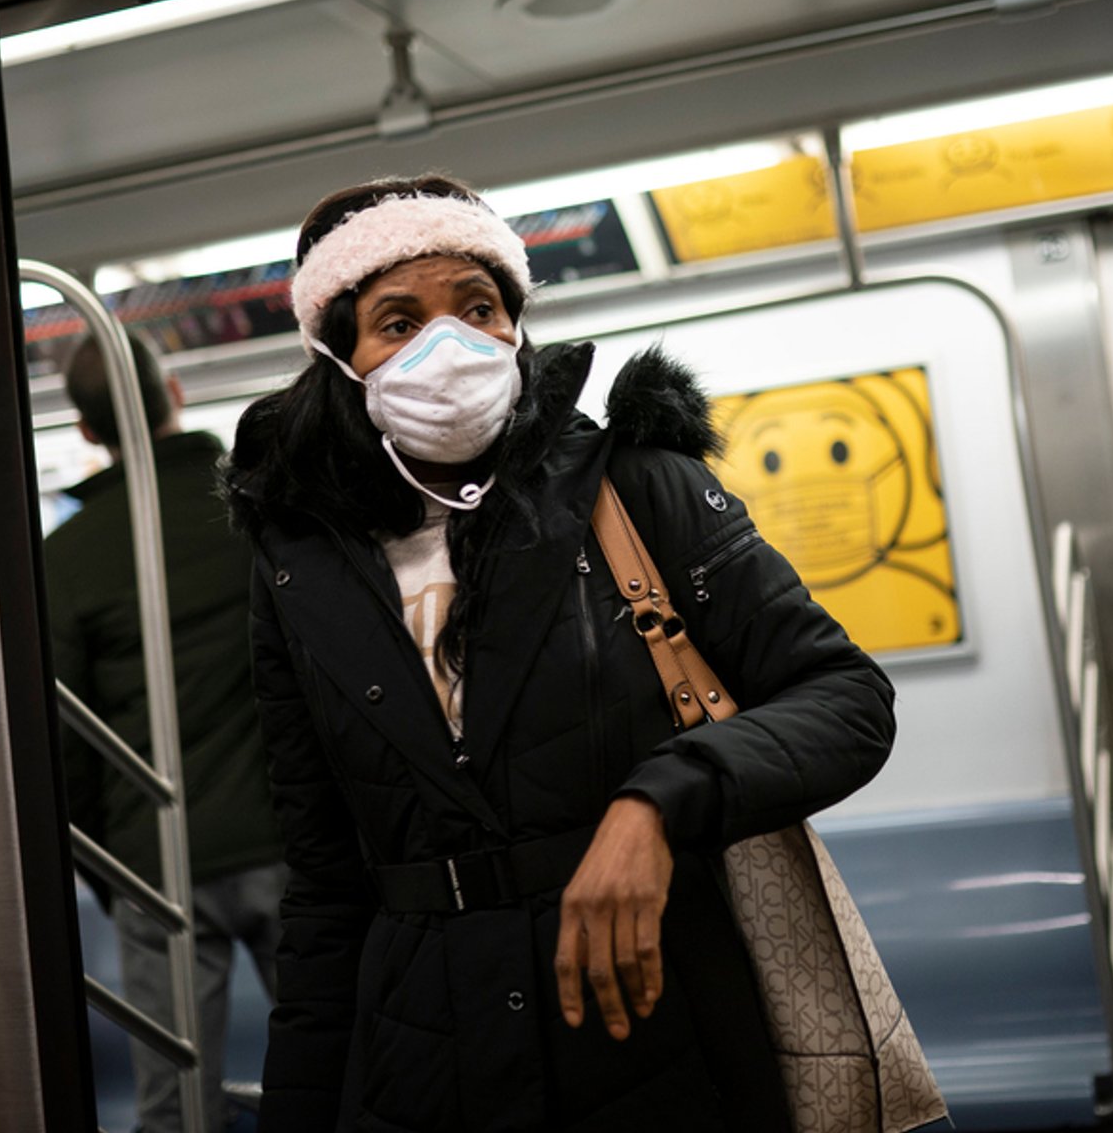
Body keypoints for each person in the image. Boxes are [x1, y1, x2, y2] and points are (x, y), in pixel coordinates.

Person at [221, 174, 895, 1133]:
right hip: (420, 1063)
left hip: (652, 1025)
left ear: (517, 328)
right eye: (398, 321)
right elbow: (327, 884)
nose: (447, 346)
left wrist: (659, 802)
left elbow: (848, 698)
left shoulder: (635, 487)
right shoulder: (299, 564)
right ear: (341, 356)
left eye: (478, 308)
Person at [46, 332, 288, 1133]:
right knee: (346, 1073)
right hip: (291, 840)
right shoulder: (255, 509)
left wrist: (115, 872)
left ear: (85, 431)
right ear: (174, 393)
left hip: (157, 864)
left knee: (175, 1106)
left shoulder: (63, 559)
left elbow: (67, 744)